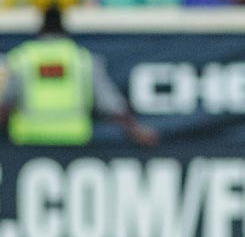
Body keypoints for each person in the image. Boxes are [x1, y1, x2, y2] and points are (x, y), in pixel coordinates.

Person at [0, 8, 157, 147]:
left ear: (40, 30)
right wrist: (136, 130)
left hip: (29, 141)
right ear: (65, 31)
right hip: (73, 141)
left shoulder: (22, 59)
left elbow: (4, 103)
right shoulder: (82, 59)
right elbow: (110, 104)